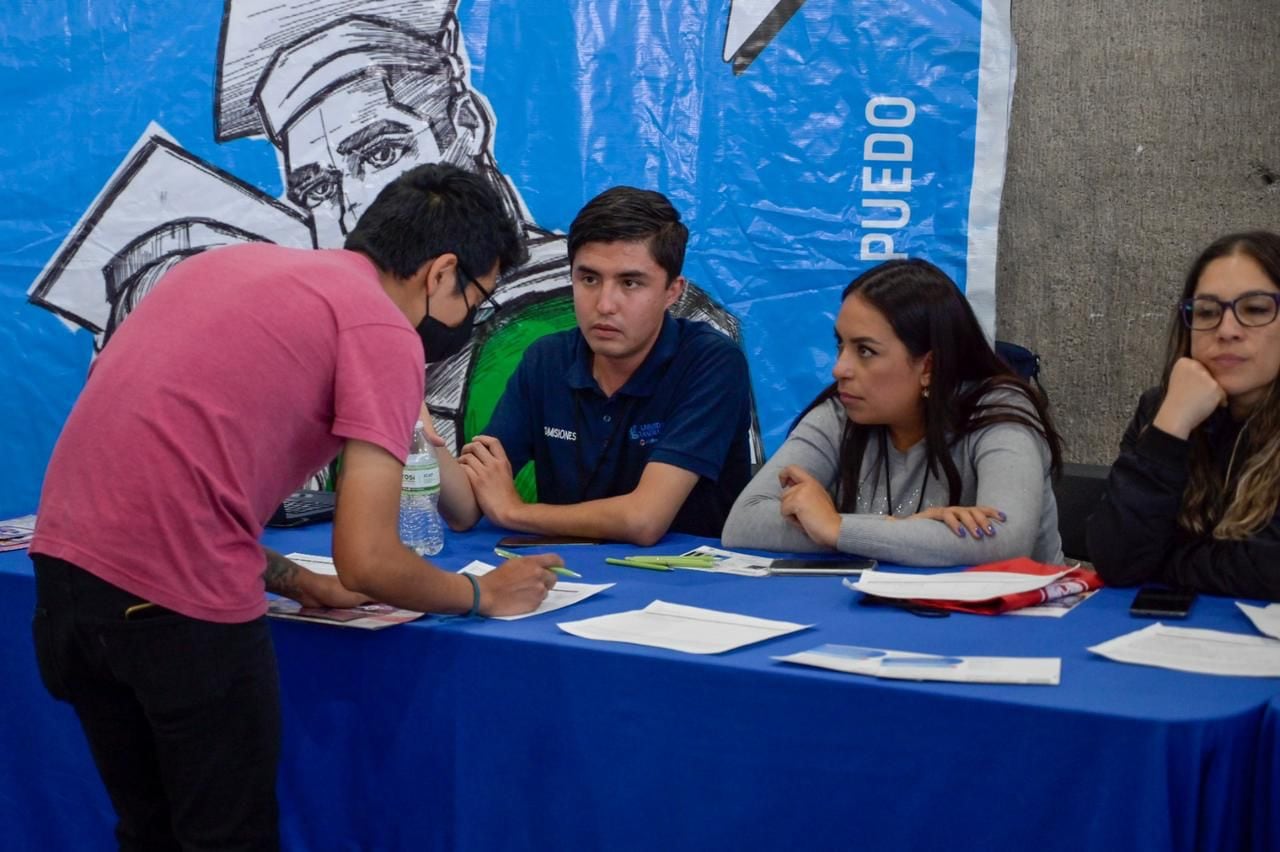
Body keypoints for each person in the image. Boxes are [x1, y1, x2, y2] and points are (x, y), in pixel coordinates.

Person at [28, 163, 564, 850]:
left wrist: (296, 580)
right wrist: (478, 594)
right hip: (175, 618)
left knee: (150, 834)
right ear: (441, 273)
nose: (471, 321)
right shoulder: (380, 327)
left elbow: (161, 485)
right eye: (478, 299)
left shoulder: (222, 268)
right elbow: (368, 558)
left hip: (64, 590)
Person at [456, 186, 753, 544]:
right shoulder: (545, 359)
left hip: (683, 586)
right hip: (564, 577)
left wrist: (513, 512)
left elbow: (644, 521)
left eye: (630, 282)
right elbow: (468, 504)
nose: (605, 304)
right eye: (589, 279)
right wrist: (417, 424)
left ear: (672, 292)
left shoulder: (712, 361)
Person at [722, 258, 1064, 566]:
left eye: (865, 351)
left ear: (928, 365)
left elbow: (1006, 542)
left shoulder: (999, 411)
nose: (840, 368)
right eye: (841, 345)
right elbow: (744, 524)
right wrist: (899, 530)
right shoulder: (842, 412)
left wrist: (837, 527)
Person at [1087, 231, 1280, 599]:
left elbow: (1267, 569)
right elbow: (1118, 560)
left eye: (1255, 309)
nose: (1226, 330)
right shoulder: (1165, 408)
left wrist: (1163, 562)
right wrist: (1170, 428)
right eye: (1207, 312)